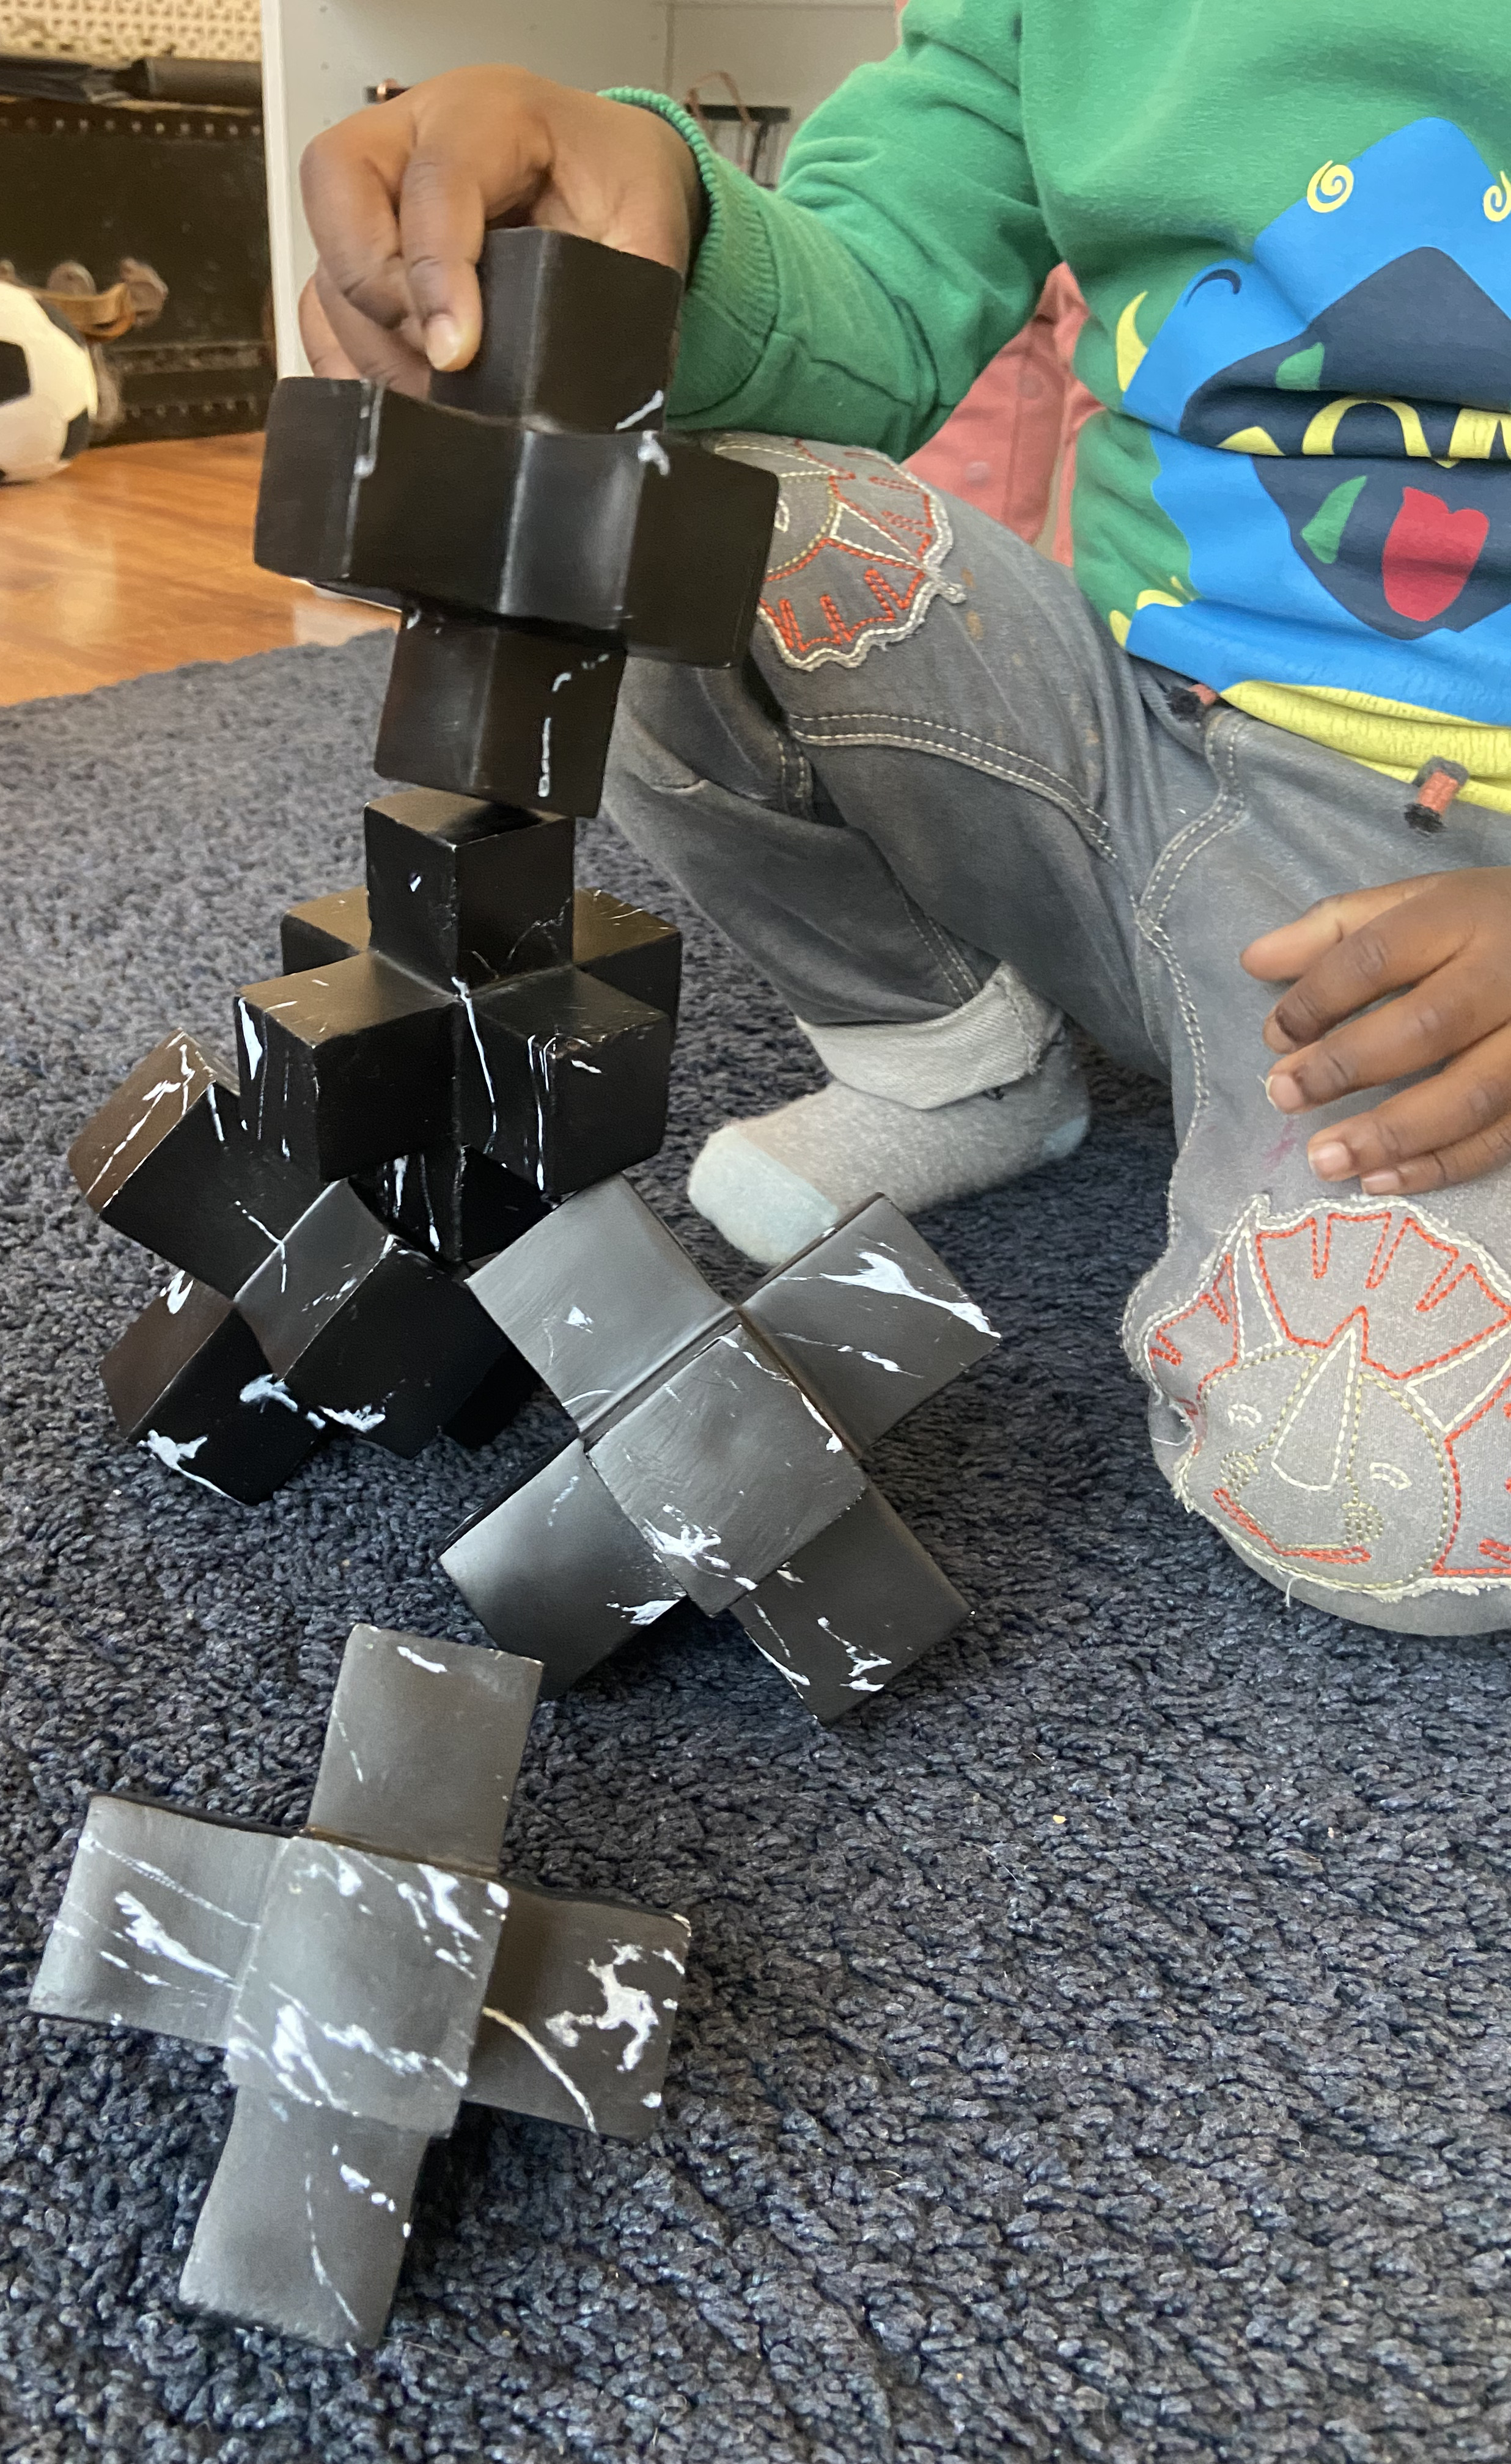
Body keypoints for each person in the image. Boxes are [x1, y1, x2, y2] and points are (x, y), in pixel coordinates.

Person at [296, 14, 1511, 1640]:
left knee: (1395, 1499)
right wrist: (655, 206)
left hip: (1448, 908)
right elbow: (872, 288)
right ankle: (962, 1065)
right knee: (680, 526)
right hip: (1130, 744)